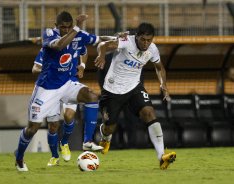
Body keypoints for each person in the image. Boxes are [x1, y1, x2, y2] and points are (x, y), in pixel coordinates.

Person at [15, 11, 115, 171]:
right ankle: (19, 157)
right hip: (46, 89)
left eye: (69, 27)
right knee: (32, 128)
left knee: (92, 96)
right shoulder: (49, 34)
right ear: (56, 26)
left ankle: (87, 141)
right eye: (63, 27)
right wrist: (76, 28)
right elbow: (59, 45)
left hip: (66, 84)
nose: (66, 30)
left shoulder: (78, 34)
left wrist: (119, 38)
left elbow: (98, 39)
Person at [94, 22, 176, 170]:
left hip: (134, 88)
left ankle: (162, 156)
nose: (146, 43)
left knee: (149, 113)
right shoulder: (126, 41)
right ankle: (105, 136)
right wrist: (101, 56)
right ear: (137, 36)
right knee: (110, 127)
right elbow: (103, 45)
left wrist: (163, 84)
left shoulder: (152, 49)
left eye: (149, 40)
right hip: (112, 90)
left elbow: (160, 68)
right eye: (143, 39)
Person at [31, 45, 88, 162]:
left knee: (69, 115)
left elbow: (84, 50)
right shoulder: (46, 50)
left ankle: (64, 142)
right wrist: (48, 69)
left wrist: (82, 66)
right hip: (51, 88)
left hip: (69, 85)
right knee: (53, 126)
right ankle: (54, 156)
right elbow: (35, 68)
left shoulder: (74, 45)